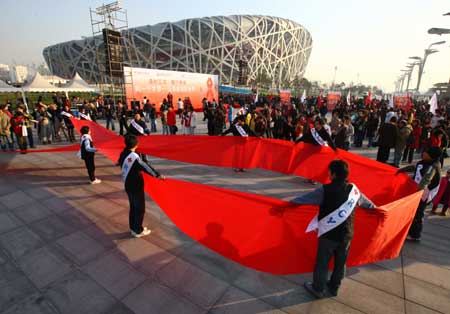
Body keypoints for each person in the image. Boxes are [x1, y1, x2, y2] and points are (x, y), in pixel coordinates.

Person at [291, 160, 375, 298]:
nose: (328, 173)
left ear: (334, 174)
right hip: (347, 235)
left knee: (322, 263)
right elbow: (370, 205)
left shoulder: (325, 190)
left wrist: (284, 205)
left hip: (329, 235)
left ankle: (318, 288)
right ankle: (334, 287)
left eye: (329, 171)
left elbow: (301, 200)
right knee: (341, 263)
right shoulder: (354, 190)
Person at [117, 135, 165, 238]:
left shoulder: (123, 153)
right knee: (139, 208)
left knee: (133, 207)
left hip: (128, 185)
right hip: (135, 185)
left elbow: (119, 162)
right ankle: (138, 230)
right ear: (136, 144)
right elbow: (145, 167)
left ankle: (133, 228)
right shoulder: (134, 157)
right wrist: (158, 175)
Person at [396, 146, 442, 241]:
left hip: (424, 193)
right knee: (412, 211)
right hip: (418, 191)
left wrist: (418, 193)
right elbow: (416, 167)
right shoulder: (424, 162)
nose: (423, 154)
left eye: (426, 153)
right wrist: (403, 170)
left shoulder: (433, 166)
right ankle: (409, 230)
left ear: (431, 156)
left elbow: (426, 180)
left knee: (418, 212)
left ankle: (415, 235)